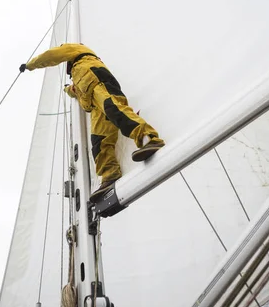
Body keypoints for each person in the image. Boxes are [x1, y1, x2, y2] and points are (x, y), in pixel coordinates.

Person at [20, 43, 164, 201]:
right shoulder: (76, 74)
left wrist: (30, 65)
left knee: (116, 110)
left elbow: (53, 55)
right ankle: (109, 175)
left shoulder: (79, 52)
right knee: (99, 141)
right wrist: (66, 89)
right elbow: (75, 91)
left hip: (98, 83)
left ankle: (148, 139)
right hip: (94, 104)